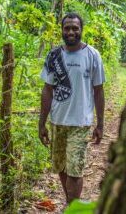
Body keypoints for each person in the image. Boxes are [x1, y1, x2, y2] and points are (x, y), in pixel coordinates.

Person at [39, 12, 105, 204]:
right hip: (57, 122)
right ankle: (71, 205)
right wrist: (41, 123)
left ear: (81, 30)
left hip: (80, 123)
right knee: (61, 168)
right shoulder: (54, 55)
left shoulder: (92, 55)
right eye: (67, 28)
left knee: (75, 171)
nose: (71, 32)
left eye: (75, 28)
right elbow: (47, 90)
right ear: (62, 30)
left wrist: (100, 124)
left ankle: (71, 206)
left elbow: (99, 90)